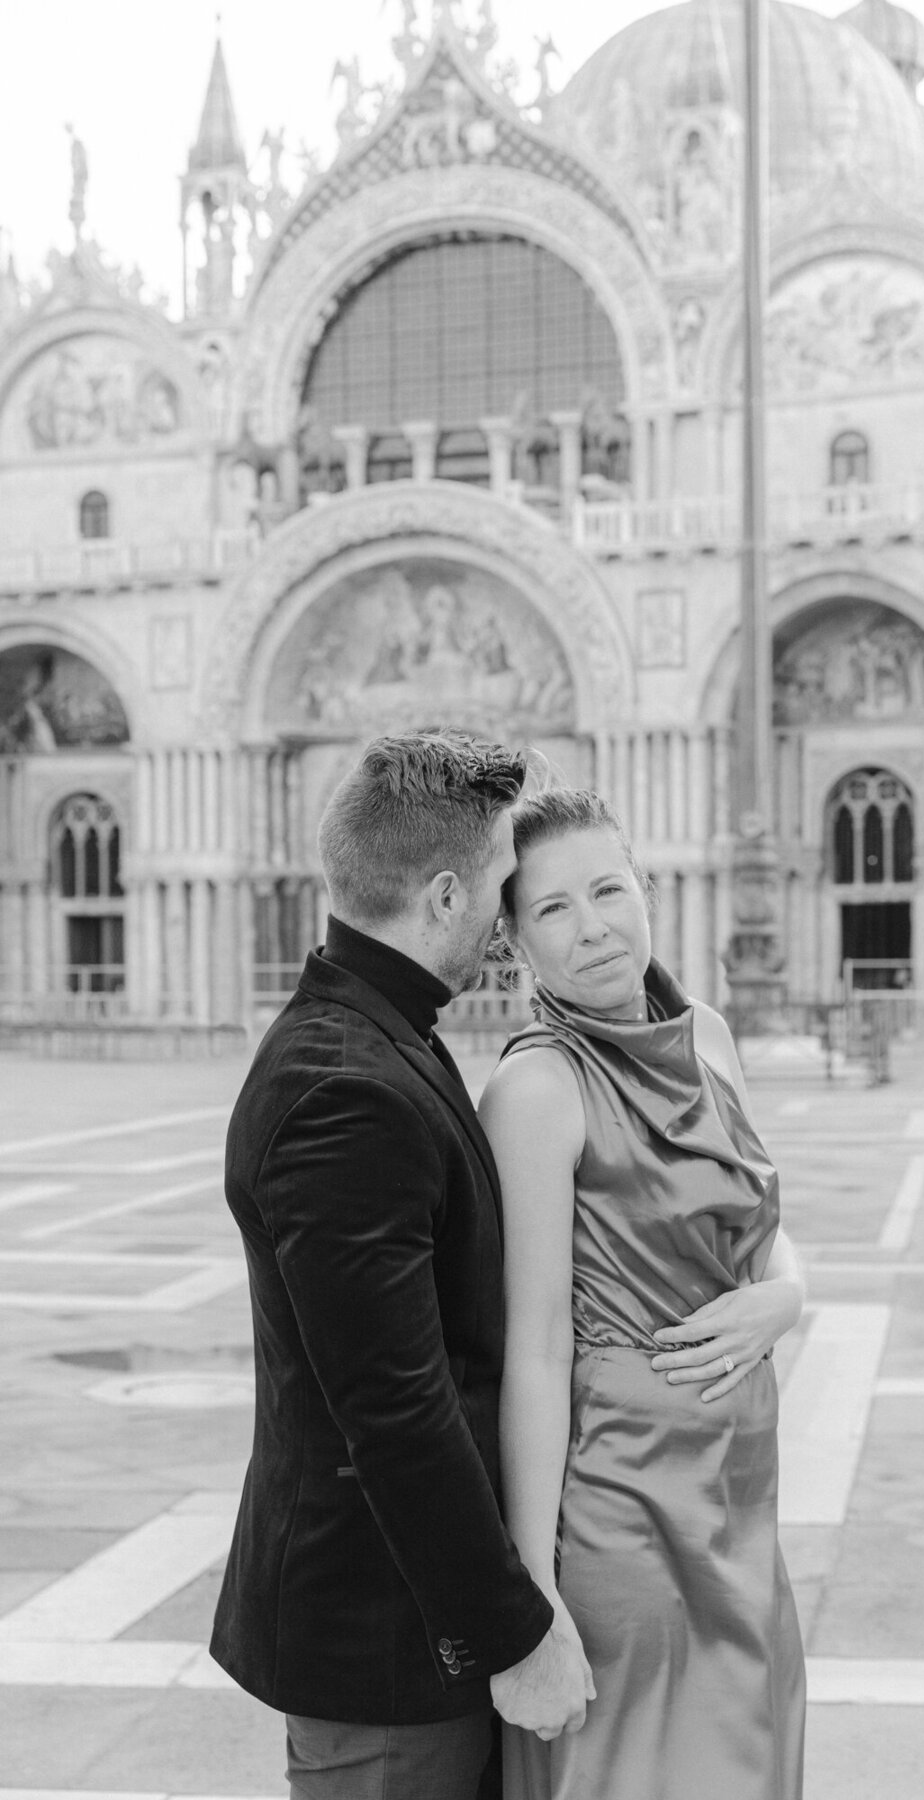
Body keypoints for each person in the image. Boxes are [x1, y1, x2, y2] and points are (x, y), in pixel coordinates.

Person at [210, 733, 595, 1800]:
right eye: (500, 892)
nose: (509, 927)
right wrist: (515, 1634)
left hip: (410, 1632)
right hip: (386, 1649)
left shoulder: (381, 1035)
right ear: (439, 896)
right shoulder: (347, 1089)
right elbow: (395, 1411)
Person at [479, 788, 807, 1800]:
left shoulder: (707, 1032)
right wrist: (530, 1597)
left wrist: (787, 1297)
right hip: (621, 1511)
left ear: (646, 886)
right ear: (517, 943)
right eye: (553, 910)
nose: (593, 929)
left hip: (741, 1495)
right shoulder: (535, 1089)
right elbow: (531, 1352)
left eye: (608, 890)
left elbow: (762, 1228)